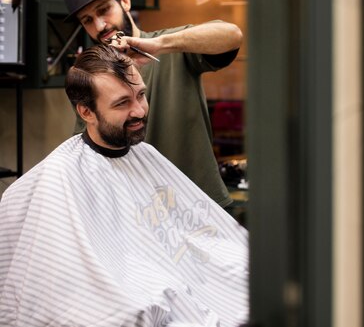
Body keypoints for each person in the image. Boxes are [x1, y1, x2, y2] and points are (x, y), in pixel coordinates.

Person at [0, 45, 248, 326]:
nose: (140, 111)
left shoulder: (147, 156)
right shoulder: (60, 177)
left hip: (191, 277)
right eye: (121, 103)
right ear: (86, 112)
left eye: (141, 95)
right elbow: (73, 289)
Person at [63, 0, 242, 208]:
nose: (99, 25)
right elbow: (87, 150)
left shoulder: (171, 48)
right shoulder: (91, 76)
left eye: (104, 9)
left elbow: (232, 35)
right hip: (141, 214)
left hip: (198, 203)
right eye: (87, 20)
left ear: (124, 1)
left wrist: (159, 45)